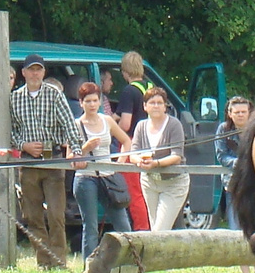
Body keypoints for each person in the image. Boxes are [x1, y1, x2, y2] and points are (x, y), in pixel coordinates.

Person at [10, 53, 85, 268]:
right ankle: (43, 261)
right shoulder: (15, 98)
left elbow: (69, 125)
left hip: (53, 160)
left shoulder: (54, 95)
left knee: (56, 215)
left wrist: (77, 151)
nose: (35, 73)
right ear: (23, 73)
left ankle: (59, 260)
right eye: (31, 70)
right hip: (27, 162)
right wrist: (24, 145)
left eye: (39, 69)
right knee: (32, 216)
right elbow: (11, 130)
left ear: (43, 72)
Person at [73, 80, 132, 259]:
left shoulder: (107, 120)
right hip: (85, 178)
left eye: (95, 100)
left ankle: (130, 261)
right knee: (90, 226)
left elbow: (127, 141)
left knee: (123, 224)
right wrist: (85, 148)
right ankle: (90, 268)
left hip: (108, 177)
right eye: (88, 101)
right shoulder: (76, 125)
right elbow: (70, 158)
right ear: (81, 103)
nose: (92, 104)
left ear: (100, 102)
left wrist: (120, 162)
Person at [131, 87, 189, 232]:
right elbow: (132, 153)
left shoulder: (174, 125)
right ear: (145, 106)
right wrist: (139, 161)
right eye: (152, 103)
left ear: (165, 106)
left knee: (160, 230)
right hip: (149, 182)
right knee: (154, 227)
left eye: (159, 103)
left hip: (173, 183)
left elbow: (177, 156)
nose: (156, 106)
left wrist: (155, 163)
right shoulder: (140, 126)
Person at [114, 51, 153, 231]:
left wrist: (112, 128)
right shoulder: (151, 87)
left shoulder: (129, 91)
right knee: (149, 191)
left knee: (134, 192)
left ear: (125, 71)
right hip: (151, 142)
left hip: (131, 144)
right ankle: (153, 227)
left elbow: (126, 123)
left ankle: (141, 230)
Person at [215, 96, 251, 228]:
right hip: (232, 184)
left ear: (249, 112)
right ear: (230, 114)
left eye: (243, 112)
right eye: (237, 112)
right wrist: (240, 163)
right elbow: (221, 156)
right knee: (235, 227)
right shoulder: (223, 129)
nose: (240, 115)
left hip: (253, 185)